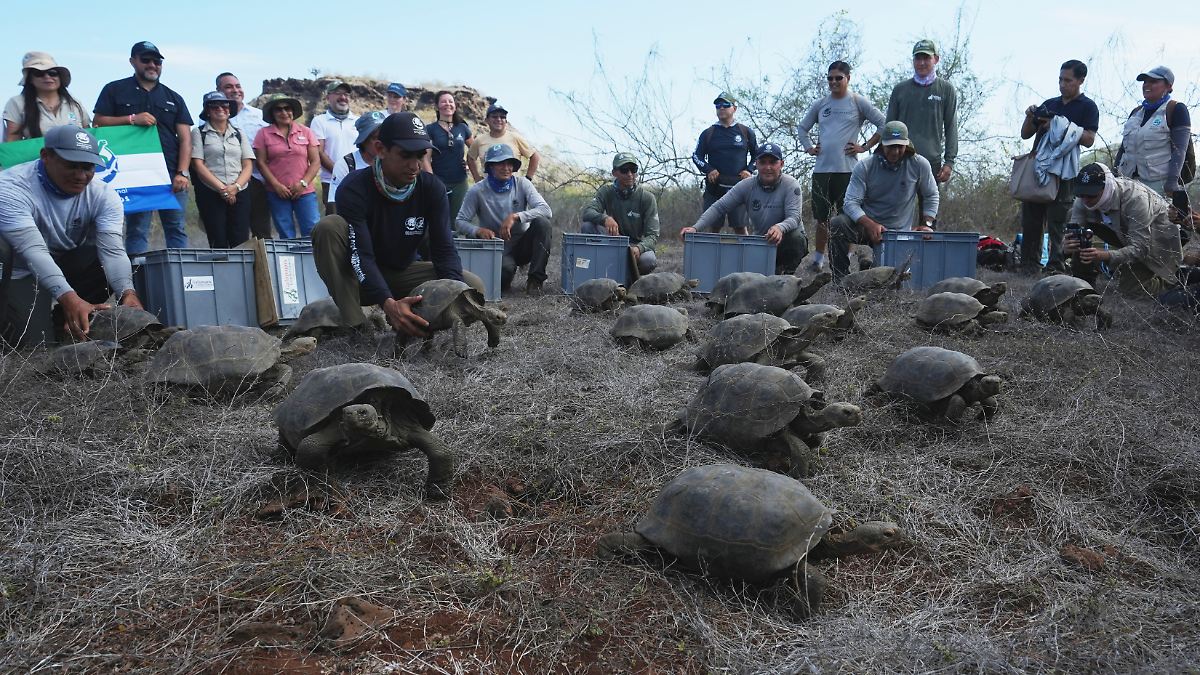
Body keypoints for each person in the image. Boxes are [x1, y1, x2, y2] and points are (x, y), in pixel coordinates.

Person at [312, 112, 483, 334]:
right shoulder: (354, 188)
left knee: (471, 287)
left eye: (420, 156)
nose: (415, 166)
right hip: (358, 276)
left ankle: (416, 323)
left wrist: (454, 293)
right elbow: (361, 255)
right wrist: (387, 303)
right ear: (380, 149)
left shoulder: (432, 188)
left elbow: (444, 249)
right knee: (328, 226)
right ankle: (356, 324)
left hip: (403, 272)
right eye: (405, 156)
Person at [0, 126, 141, 341]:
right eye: (71, 166)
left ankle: (66, 321)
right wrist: (68, 296)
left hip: (60, 261)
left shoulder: (103, 195)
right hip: (20, 269)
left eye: (88, 167)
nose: (81, 176)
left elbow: (113, 252)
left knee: (105, 259)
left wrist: (127, 293)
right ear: (46, 156)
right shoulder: (11, 188)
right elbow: (33, 251)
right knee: (34, 347)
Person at [92, 41, 193, 254]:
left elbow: (185, 139)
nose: (152, 65)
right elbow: (98, 123)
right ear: (133, 61)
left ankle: (180, 277)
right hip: (134, 173)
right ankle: (137, 280)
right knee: (137, 229)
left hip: (171, 172)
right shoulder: (114, 89)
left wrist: (182, 172)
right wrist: (131, 119)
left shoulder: (174, 97)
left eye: (157, 61)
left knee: (176, 228)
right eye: (146, 60)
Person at [796, 61, 886, 270]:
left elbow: (883, 123)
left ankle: (848, 257)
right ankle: (818, 260)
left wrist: (864, 147)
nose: (834, 82)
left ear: (848, 78)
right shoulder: (821, 104)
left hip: (848, 171)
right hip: (822, 171)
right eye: (830, 78)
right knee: (822, 218)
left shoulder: (857, 101)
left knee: (847, 218)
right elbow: (803, 128)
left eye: (838, 78)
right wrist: (809, 147)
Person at [1017, 60, 1099, 275]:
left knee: (1058, 220)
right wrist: (1031, 117)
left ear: (1080, 81)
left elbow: (1089, 139)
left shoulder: (1087, 107)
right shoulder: (1050, 103)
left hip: (1064, 171)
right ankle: (1028, 265)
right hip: (1039, 167)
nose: (1063, 84)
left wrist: (1058, 126)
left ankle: (1056, 265)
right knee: (1031, 218)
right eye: (1060, 79)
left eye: (1068, 80)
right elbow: (1026, 134)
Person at [827, 121, 938, 279]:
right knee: (837, 224)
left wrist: (927, 224)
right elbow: (850, 202)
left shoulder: (919, 164)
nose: (896, 151)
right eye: (891, 146)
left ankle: (868, 263)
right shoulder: (865, 166)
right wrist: (869, 224)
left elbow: (931, 194)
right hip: (867, 226)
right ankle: (841, 280)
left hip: (899, 233)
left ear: (907, 144)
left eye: (900, 146)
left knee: (891, 279)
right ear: (882, 145)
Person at [679, 143, 808, 275]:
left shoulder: (791, 184)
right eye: (763, 162)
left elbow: (795, 217)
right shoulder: (746, 186)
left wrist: (780, 228)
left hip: (787, 240)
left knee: (796, 237)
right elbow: (719, 207)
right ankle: (772, 270)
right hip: (762, 242)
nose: (767, 167)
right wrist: (696, 227)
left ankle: (787, 274)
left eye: (773, 162)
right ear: (756, 164)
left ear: (781, 164)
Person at [1063, 163, 1181, 296]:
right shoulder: (1083, 199)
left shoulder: (1136, 199)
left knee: (1131, 291)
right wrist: (1067, 246)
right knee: (1075, 226)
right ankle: (1084, 279)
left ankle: (1173, 280)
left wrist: (1106, 256)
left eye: (1091, 195)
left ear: (1106, 187)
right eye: (1082, 194)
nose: (1085, 200)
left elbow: (1140, 248)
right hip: (1123, 233)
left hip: (1158, 240)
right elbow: (1072, 233)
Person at [455, 143, 553, 294]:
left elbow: (546, 210)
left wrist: (516, 216)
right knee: (502, 278)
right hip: (497, 247)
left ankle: (535, 281)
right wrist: (478, 230)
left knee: (543, 223)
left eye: (509, 163)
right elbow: (460, 221)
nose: (506, 168)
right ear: (490, 167)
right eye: (500, 163)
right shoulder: (477, 190)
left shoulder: (522, 184)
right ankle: (506, 274)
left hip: (522, 244)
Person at [1114, 66, 1192, 206]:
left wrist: (1172, 181)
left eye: (1153, 81)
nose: (1147, 85)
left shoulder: (1176, 109)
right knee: (1127, 225)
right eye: (1145, 82)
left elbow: (1180, 149)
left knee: (1158, 225)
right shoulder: (1136, 113)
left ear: (1168, 86)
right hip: (1127, 182)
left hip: (1158, 185)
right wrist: (1114, 174)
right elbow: (1123, 149)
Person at [886, 39, 957, 186]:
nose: (922, 63)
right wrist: (885, 155)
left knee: (929, 207)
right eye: (918, 58)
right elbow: (889, 126)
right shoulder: (900, 89)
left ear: (935, 59)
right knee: (898, 207)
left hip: (932, 163)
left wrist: (949, 162)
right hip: (900, 159)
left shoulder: (946, 89)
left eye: (926, 58)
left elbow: (951, 127)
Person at [190, 91, 255, 248]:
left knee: (241, 240)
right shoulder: (198, 132)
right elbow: (198, 164)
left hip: (240, 191)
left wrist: (235, 187)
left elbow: (248, 165)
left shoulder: (239, 133)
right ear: (207, 110)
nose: (220, 108)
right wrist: (223, 189)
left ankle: (242, 272)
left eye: (224, 105)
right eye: (214, 106)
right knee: (217, 238)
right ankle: (221, 272)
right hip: (211, 192)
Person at [580, 152, 659, 275]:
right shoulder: (606, 191)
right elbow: (587, 212)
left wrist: (639, 248)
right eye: (624, 170)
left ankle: (630, 279)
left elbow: (652, 235)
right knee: (587, 226)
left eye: (633, 170)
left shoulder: (647, 197)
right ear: (614, 173)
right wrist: (604, 218)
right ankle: (598, 273)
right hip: (611, 241)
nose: (630, 174)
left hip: (633, 245)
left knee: (649, 259)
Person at [253, 94, 320, 238]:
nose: (284, 112)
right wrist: (276, 186)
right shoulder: (263, 134)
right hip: (277, 192)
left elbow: (315, 161)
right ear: (272, 113)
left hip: (305, 191)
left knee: (312, 229)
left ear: (293, 111)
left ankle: (313, 261)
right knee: (285, 233)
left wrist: (303, 183)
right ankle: (291, 261)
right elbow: (261, 162)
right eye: (278, 109)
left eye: (287, 108)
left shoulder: (306, 131)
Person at [217, 72, 273, 240]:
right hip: (226, 182)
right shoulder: (210, 118)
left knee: (261, 231)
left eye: (238, 86)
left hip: (257, 179)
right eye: (228, 87)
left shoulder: (259, 115)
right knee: (232, 232)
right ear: (218, 90)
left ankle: (265, 265)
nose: (235, 90)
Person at [691, 92, 757, 232]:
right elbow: (696, 156)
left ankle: (744, 254)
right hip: (715, 188)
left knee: (740, 228)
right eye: (718, 105)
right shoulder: (708, 133)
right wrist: (708, 169)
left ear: (734, 108)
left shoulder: (745, 132)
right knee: (713, 228)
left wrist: (749, 170)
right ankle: (711, 254)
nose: (721, 108)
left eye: (725, 105)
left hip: (739, 188)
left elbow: (758, 155)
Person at [4, 51, 90, 141]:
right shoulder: (16, 103)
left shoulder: (75, 104)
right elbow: (13, 140)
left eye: (52, 73)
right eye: (39, 73)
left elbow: (88, 133)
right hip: (37, 154)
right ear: (30, 79)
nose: (47, 77)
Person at [310, 80, 360, 215]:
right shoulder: (319, 121)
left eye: (346, 94)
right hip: (332, 181)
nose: (343, 97)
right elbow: (319, 152)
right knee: (335, 221)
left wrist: (354, 175)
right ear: (328, 97)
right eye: (338, 93)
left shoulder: (358, 121)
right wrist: (341, 172)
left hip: (359, 180)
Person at [427, 90, 473, 219]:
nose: (448, 104)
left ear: (455, 106)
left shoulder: (463, 128)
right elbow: (425, 159)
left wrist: (469, 165)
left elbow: (474, 150)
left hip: (460, 181)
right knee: (438, 218)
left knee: (459, 219)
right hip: (439, 180)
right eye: (443, 101)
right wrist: (432, 181)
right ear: (437, 106)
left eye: (450, 101)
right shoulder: (430, 129)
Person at [467, 103, 540, 182]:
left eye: (502, 117)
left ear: (506, 121)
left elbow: (534, 156)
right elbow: (470, 157)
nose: (498, 119)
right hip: (488, 189)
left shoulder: (515, 138)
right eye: (494, 116)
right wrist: (476, 177)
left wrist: (528, 178)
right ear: (487, 120)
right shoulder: (479, 140)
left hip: (513, 188)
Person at [328, 110, 386, 204]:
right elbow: (333, 202)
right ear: (363, 140)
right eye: (375, 138)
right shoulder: (346, 165)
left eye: (383, 137)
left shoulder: (391, 162)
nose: (380, 142)